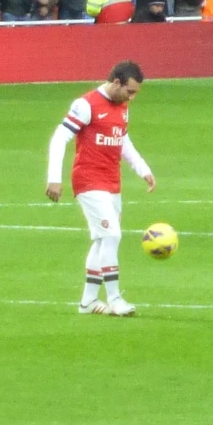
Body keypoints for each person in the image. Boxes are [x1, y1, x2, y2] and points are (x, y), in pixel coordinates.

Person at [45, 61, 156, 316]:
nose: (133, 97)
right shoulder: (86, 105)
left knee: (102, 240)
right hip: (89, 180)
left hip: (111, 181)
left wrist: (143, 169)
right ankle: (115, 298)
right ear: (116, 82)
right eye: (130, 91)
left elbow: (122, 139)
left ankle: (88, 302)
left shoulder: (122, 107)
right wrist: (54, 177)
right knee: (112, 235)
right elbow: (60, 137)